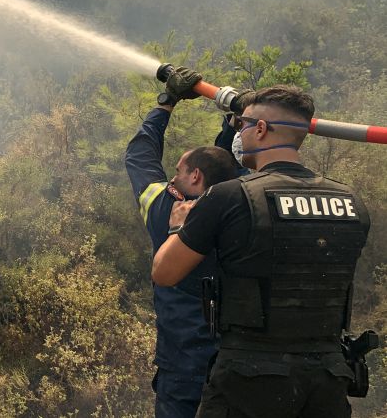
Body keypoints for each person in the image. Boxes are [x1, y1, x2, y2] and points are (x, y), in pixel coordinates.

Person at [152, 85, 370, 418]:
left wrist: (179, 227)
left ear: (262, 129)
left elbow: (164, 273)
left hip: (248, 377)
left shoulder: (229, 196)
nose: (239, 133)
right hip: (328, 377)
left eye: (242, 126)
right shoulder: (350, 201)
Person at [125, 66, 239, 418]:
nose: (173, 177)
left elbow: (139, 156)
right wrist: (233, 123)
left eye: (178, 171)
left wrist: (168, 101)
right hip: (239, 364)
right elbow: (227, 172)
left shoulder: (166, 210)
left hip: (183, 366)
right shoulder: (245, 208)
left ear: (194, 176)